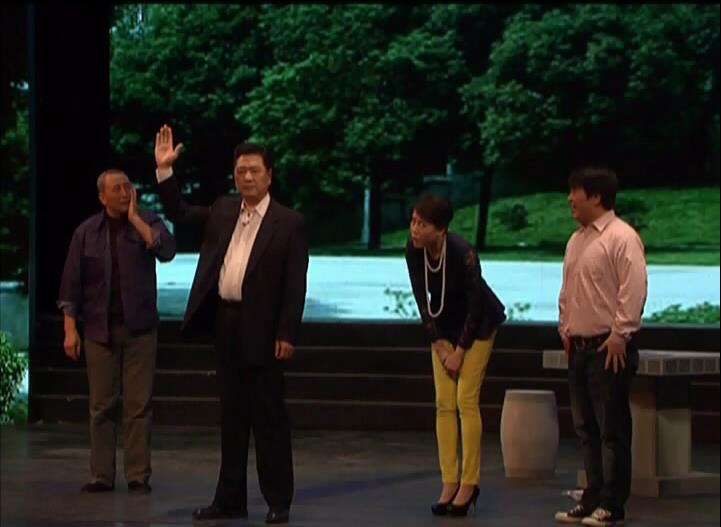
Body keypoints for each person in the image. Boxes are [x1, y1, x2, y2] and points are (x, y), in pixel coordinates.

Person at [152, 124, 308, 525]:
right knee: (231, 417)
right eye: (241, 171)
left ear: (269, 175)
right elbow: (180, 212)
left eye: (255, 170)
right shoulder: (223, 210)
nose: (248, 177)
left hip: (265, 329)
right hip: (226, 322)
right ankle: (229, 499)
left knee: (269, 417)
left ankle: (278, 501)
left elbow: (295, 284)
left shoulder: (288, 222)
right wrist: (165, 171)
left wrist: (287, 333)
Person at [58, 169, 176, 494]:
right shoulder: (86, 232)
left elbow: (167, 250)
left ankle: (138, 475)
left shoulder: (147, 220)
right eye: (117, 189)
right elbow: (71, 283)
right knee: (101, 406)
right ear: (102, 197)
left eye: (127, 187)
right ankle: (101, 476)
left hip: (140, 328)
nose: (124, 193)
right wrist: (70, 329)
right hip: (99, 330)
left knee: (138, 405)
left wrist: (136, 219)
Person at [555, 166, 647, 527]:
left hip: (608, 347)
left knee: (612, 429)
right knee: (586, 429)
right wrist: (565, 329)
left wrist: (620, 334)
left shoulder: (622, 237)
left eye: (575, 192)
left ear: (595, 196)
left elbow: (633, 289)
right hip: (578, 346)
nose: (570, 199)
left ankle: (612, 503)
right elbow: (568, 290)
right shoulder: (576, 240)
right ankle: (591, 496)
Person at [404, 193, 506, 517]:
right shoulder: (414, 250)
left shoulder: (464, 253)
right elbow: (421, 298)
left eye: (422, 224)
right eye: (413, 221)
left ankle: (469, 482)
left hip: (478, 325)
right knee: (444, 403)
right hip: (444, 326)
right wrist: (437, 343)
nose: (414, 229)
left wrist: (460, 351)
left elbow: (475, 307)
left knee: (465, 400)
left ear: (440, 228)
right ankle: (449, 480)